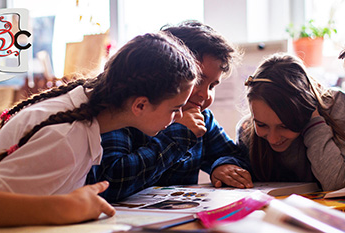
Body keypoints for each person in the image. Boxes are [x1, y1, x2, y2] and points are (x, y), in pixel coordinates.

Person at [0, 32, 200, 227]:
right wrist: (63, 207)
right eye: (175, 108)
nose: (178, 116)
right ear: (140, 105)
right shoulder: (64, 136)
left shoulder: (84, 114)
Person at [86, 20, 253, 203]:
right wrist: (177, 136)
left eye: (212, 85)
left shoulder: (202, 119)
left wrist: (223, 166)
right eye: (198, 81)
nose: (205, 94)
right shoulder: (128, 113)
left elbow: (236, 156)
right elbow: (109, 182)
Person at [237, 52, 345, 191]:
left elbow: (337, 184)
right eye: (261, 125)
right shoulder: (247, 131)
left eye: (284, 126)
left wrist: (315, 124)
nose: (273, 139)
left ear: (305, 109)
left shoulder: (337, 109)